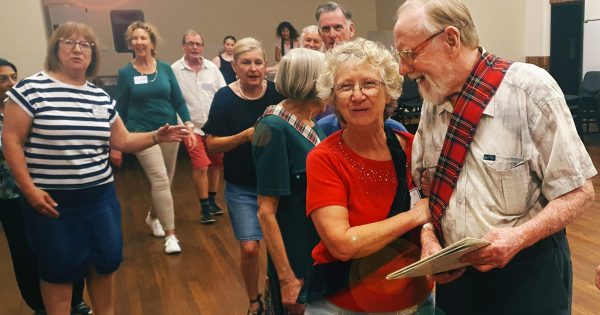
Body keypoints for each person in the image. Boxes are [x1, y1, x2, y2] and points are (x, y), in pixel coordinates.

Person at [394, 1, 597, 314]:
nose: (404, 69)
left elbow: (579, 193)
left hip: (528, 276)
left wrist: (518, 237)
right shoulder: (432, 100)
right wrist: (429, 238)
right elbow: (421, 189)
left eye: (411, 54)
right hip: (457, 280)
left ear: (451, 39)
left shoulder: (530, 90)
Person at [2, 22, 189, 315]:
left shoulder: (99, 96)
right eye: (69, 42)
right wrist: (28, 188)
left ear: (92, 54)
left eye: (85, 45)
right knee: (58, 271)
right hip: (52, 201)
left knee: (105, 263)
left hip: (99, 198)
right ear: (55, 48)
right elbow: (11, 139)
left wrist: (156, 136)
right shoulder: (31, 88)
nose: (78, 49)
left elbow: (123, 139)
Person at [303, 38, 433, 314]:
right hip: (345, 302)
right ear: (333, 99)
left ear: (388, 93)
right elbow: (342, 244)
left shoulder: (413, 148)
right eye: (345, 86)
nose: (357, 94)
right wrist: (415, 215)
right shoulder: (325, 159)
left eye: (369, 84)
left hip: (414, 297)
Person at [0, 58, 93, 315]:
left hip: (48, 190)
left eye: (13, 77)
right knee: (24, 251)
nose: (9, 83)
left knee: (64, 244)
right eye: (2, 79)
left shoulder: (27, 108)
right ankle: (39, 305)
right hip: (10, 196)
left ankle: (76, 300)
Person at [202, 37, 285, 315]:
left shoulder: (277, 93)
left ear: (265, 66)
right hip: (241, 187)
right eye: (246, 63)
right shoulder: (224, 98)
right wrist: (244, 136)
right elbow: (211, 144)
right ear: (235, 67)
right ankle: (254, 300)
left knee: (281, 246)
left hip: (277, 185)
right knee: (250, 248)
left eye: (258, 62)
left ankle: (280, 291)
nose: (253, 68)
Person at [112, 21, 196, 254]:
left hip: (168, 132)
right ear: (131, 44)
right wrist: (117, 143)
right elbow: (119, 107)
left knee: (166, 182)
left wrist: (188, 125)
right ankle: (171, 235)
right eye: (135, 39)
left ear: (152, 43)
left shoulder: (165, 69)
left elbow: (178, 100)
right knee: (159, 180)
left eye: (143, 38)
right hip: (142, 134)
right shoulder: (126, 73)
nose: (139, 42)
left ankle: (153, 216)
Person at [253, 48, 326, 315]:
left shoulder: (308, 120)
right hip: (296, 261)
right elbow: (266, 212)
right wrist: (287, 280)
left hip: (316, 252)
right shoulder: (273, 127)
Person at [171, 29, 226, 224]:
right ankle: (204, 208)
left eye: (198, 44)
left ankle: (212, 200)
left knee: (216, 164)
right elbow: (173, 100)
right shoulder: (175, 70)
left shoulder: (212, 68)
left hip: (213, 127)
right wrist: (183, 126)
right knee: (201, 165)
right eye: (190, 43)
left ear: (202, 47)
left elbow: (223, 94)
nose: (195, 47)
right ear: (183, 46)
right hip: (190, 127)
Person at [317, 113, 407, 136]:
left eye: (368, 84)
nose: (357, 96)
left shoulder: (397, 131)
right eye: (346, 86)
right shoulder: (322, 129)